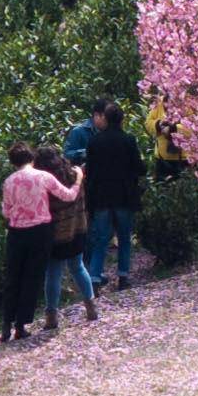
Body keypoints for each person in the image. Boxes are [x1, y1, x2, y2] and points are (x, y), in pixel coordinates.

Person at [0, 140, 77, 343]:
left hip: (16, 232)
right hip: (40, 231)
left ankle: (6, 323)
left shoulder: (8, 182)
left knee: (13, 277)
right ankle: (21, 326)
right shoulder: (43, 176)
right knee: (32, 278)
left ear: (13, 162)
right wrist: (78, 179)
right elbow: (68, 196)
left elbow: (6, 212)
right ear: (31, 158)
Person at [81, 101, 145, 294]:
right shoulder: (129, 140)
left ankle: (94, 278)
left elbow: (90, 172)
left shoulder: (94, 142)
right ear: (122, 119)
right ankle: (123, 277)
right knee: (124, 238)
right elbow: (140, 168)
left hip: (101, 196)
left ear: (106, 119)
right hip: (124, 195)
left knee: (101, 238)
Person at [45, 137, 97, 329]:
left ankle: (51, 316)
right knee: (78, 267)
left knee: (53, 274)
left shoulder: (45, 184)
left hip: (56, 235)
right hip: (78, 229)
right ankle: (91, 306)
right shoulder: (75, 174)